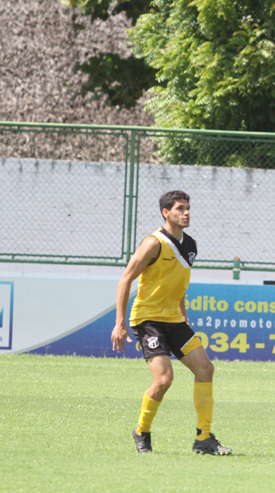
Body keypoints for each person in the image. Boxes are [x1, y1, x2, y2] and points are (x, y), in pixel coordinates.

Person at [111, 190, 231, 455]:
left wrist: (183, 315)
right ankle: (141, 430)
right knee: (164, 379)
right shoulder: (153, 243)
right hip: (147, 319)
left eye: (188, 208)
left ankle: (204, 438)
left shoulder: (190, 245)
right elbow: (125, 279)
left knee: (205, 369)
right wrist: (120, 323)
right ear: (166, 213)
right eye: (179, 208)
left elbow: (178, 283)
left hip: (175, 320)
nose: (186, 213)